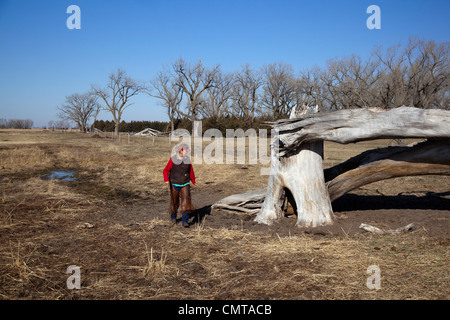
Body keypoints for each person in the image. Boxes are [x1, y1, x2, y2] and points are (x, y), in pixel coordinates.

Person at [163, 143, 196, 227]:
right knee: (174, 202)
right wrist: (166, 180)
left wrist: (193, 180)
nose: (186, 152)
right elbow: (165, 171)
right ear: (180, 150)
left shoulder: (187, 159)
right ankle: (173, 217)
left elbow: (191, 171)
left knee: (186, 203)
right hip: (174, 183)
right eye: (185, 150)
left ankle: (185, 221)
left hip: (185, 183)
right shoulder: (172, 159)